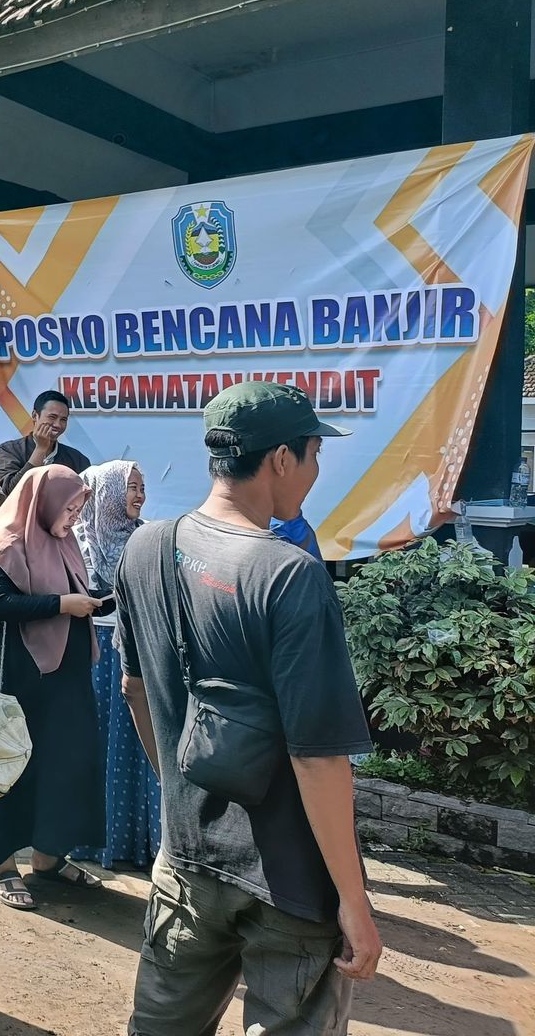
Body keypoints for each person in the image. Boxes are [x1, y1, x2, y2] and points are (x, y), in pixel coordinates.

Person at [115, 381, 382, 1034]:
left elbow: (134, 689)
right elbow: (318, 759)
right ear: (282, 461)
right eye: (315, 455)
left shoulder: (145, 547)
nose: (316, 474)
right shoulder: (290, 575)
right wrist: (354, 900)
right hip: (288, 879)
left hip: (185, 857)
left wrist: (179, 792)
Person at [0, 463, 106, 910]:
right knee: (14, 767)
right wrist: (61, 605)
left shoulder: (64, 540)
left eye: (78, 508)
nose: (74, 516)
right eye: (69, 506)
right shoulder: (8, 542)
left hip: (68, 676)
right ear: (45, 501)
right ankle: (2, 866)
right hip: (23, 676)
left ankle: (49, 858)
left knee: (65, 766)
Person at [71, 460, 161, 870]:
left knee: (136, 746)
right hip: (91, 654)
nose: (139, 495)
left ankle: (141, 844)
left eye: (142, 487)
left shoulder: (147, 540)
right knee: (93, 744)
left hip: (137, 654)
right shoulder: (75, 541)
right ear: (107, 492)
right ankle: (89, 842)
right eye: (131, 487)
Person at [0, 389, 90, 499]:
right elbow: (11, 491)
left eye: (63, 419)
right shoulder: (10, 450)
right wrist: (40, 449)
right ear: (35, 415)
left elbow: (86, 496)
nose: (57, 425)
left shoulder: (77, 459)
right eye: (52, 417)